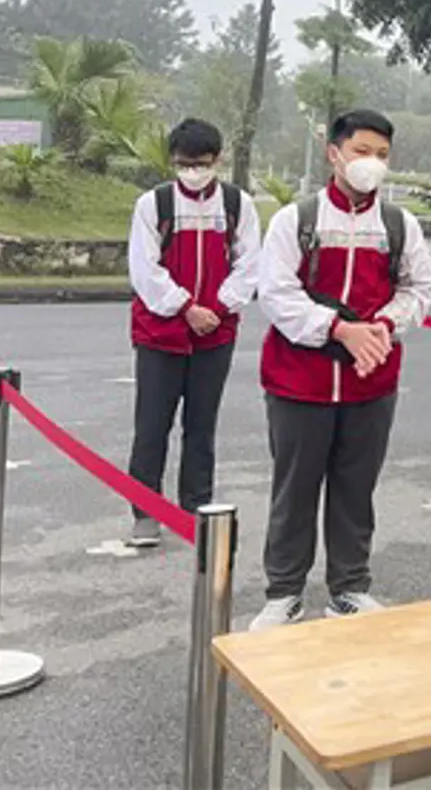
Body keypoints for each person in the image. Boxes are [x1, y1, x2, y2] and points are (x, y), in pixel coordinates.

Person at [250, 109, 431, 630]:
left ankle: (349, 587)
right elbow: (277, 294)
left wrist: (381, 327)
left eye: (381, 155)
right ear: (334, 153)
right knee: (295, 487)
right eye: (361, 152)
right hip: (298, 383)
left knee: (356, 489)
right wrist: (338, 330)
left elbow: (419, 290)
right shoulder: (298, 221)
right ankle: (284, 592)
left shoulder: (398, 225)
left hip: (370, 384)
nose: (371, 164)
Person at [124, 118, 261, 547]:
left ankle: (196, 507)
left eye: (201, 163)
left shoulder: (238, 205)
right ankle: (145, 511)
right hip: (160, 334)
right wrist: (186, 308)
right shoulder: (155, 205)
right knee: (151, 426)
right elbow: (145, 270)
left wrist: (215, 310)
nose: (193, 171)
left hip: (215, 336)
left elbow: (249, 265)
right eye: (184, 163)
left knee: (201, 426)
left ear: (216, 160)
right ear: (173, 162)